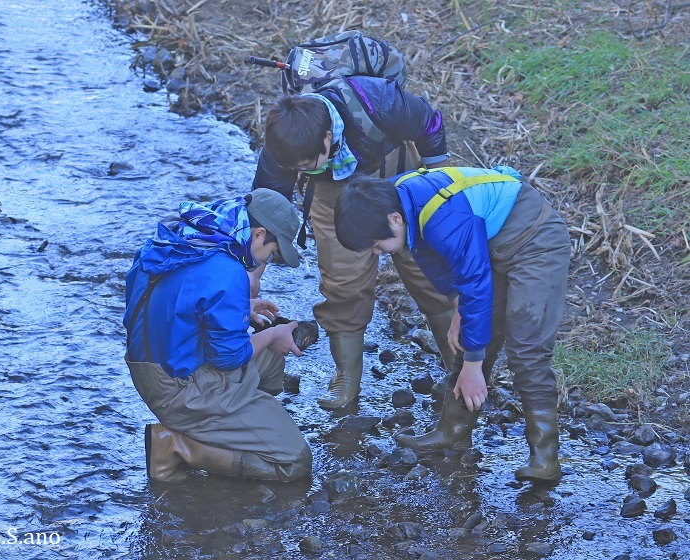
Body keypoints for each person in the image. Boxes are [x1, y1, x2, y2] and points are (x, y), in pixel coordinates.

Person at [333, 166, 570, 482]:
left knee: (526, 348)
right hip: (490, 243)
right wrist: (459, 310)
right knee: (469, 336)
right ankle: (453, 431)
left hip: (535, 239)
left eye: (377, 245)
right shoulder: (398, 200)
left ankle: (545, 458)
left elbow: (474, 279)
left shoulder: (442, 218)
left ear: (393, 220)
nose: (379, 253)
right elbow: (443, 264)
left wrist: (475, 365)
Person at [252, 76, 457, 410]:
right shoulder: (282, 149)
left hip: (394, 172)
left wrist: (440, 185)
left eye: (304, 167)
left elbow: (430, 122)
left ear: (328, 138)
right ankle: (346, 377)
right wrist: (254, 272)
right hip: (332, 187)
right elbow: (266, 215)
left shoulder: (378, 103)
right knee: (342, 281)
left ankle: (459, 364)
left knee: (427, 270)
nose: (296, 172)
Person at [123, 189, 312, 482]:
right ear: (259, 234)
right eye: (272, 253)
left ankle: (239, 427)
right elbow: (228, 358)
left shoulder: (189, 235)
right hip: (180, 391)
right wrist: (274, 335)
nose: (269, 261)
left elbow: (173, 300)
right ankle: (178, 447)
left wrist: (239, 308)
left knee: (270, 357)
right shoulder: (228, 272)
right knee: (295, 463)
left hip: (153, 371)